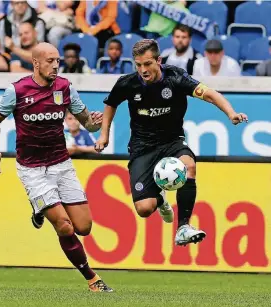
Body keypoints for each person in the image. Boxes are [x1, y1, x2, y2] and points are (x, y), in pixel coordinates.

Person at [95, 39, 248, 246]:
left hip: (172, 141)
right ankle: (160, 199)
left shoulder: (175, 78)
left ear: (159, 60)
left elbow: (210, 94)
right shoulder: (127, 83)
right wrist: (104, 135)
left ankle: (183, 227)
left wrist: (231, 113)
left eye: (147, 64)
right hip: (142, 147)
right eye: (138, 65)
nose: (143, 70)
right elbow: (110, 104)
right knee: (144, 209)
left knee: (189, 166)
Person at [0, 42, 113, 292]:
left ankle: (40, 207)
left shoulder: (65, 87)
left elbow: (87, 122)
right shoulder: (17, 90)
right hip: (32, 169)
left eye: (57, 61)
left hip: (61, 164)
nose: (56, 65)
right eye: (50, 61)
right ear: (35, 62)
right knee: (64, 226)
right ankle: (92, 278)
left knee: (84, 227)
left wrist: (96, 124)